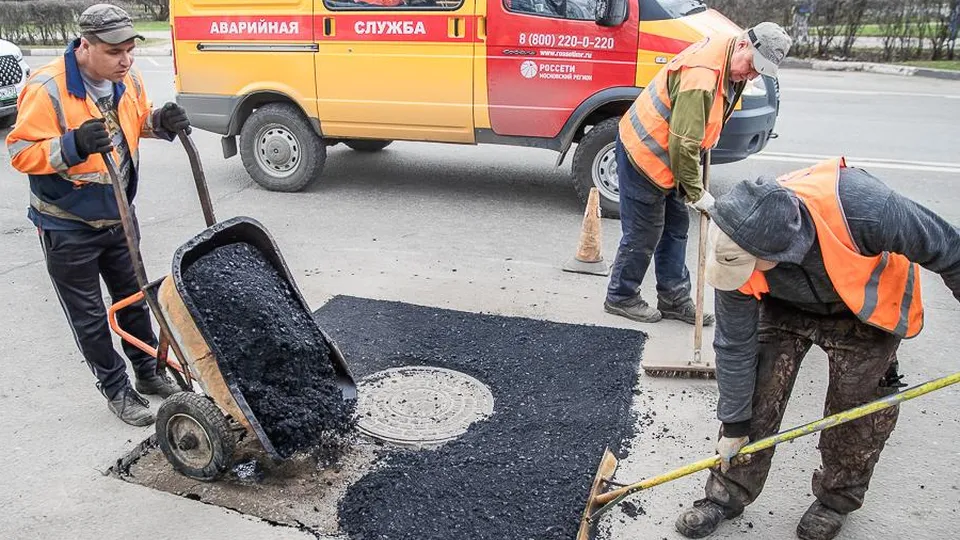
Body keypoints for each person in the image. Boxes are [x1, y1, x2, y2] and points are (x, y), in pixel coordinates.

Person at [674, 157, 960, 540]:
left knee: (857, 412)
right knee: (757, 394)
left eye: (751, 265)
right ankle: (726, 494)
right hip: (784, 307)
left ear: (777, 252)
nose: (741, 276)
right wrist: (734, 425)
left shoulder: (866, 208)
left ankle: (835, 501)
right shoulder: (736, 238)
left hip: (862, 310)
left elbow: (950, 248)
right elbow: (734, 346)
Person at [5, 4, 191, 426]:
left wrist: (160, 121)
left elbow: (134, 123)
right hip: (67, 225)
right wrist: (73, 145)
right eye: (114, 52)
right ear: (85, 46)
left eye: (129, 50)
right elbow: (20, 152)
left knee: (135, 299)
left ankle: (148, 371)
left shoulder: (127, 79)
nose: (125, 60)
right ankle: (116, 390)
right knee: (89, 318)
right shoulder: (48, 87)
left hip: (119, 214)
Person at [604, 22, 792, 325]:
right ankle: (620, 296)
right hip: (645, 154)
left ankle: (674, 299)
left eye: (759, 71)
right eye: (752, 66)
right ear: (744, 44)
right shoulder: (702, 75)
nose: (751, 75)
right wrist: (696, 193)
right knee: (644, 232)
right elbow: (683, 142)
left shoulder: (731, 56)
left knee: (676, 228)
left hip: (672, 158)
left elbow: (699, 127)